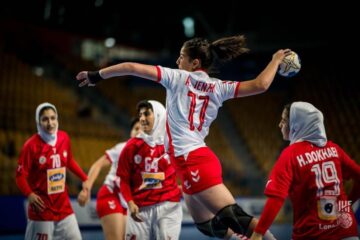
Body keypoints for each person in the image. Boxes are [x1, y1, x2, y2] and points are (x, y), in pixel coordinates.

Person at [76, 35, 289, 239]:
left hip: (191, 160)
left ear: (194, 62)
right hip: (195, 159)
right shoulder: (219, 86)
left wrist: (97, 75)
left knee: (233, 217)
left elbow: (131, 67)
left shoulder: (177, 77)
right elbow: (261, 84)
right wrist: (275, 60)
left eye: (181, 57)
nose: (177, 61)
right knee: (207, 225)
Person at [250, 102, 360, 240]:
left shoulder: (290, 155)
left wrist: (258, 232)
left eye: (284, 121)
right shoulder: (335, 150)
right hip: (347, 232)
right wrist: (348, 203)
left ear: (296, 126)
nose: (280, 125)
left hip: (311, 234)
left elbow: (276, 198)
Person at [15, 102, 88, 240]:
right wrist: (29, 194)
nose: (50, 123)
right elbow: (20, 176)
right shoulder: (31, 145)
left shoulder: (64, 137)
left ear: (57, 119)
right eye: (45, 119)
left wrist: (85, 178)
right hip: (42, 211)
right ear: (38, 121)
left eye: (53, 118)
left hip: (64, 209)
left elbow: (69, 161)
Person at [117, 100, 182, 240]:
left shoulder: (173, 143)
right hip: (140, 210)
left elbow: (186, 167)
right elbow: (123, 180)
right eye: (140, 115)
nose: (142, 119)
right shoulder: (131, 147)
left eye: (146, 114)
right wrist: (129, 202)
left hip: (169, 206)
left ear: (159, 115)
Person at [77, 117, 141, 240]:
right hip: (111, 195)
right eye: (135, 129)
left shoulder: (149, 154)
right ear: (130, 133)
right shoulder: (123, 148)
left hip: (128, 202)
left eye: (141, 129)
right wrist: (87, 189)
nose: (138, 132)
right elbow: (98, 165)